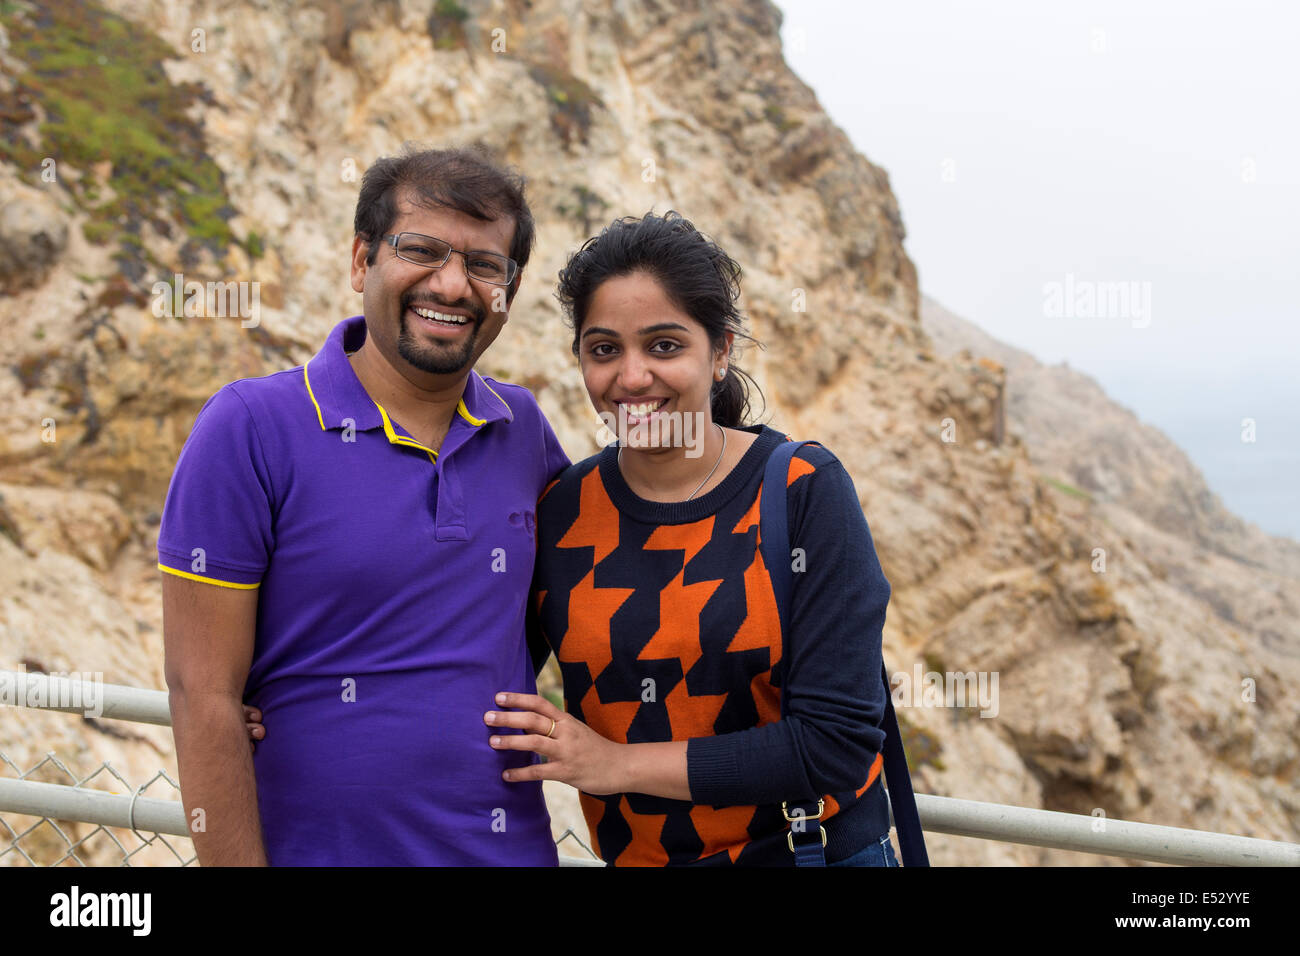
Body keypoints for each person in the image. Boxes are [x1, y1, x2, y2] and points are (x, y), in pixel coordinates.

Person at [160, 145, 569, 865]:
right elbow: (202, 695)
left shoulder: (524, 430)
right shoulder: (250, 427)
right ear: (362, 260)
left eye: (485, 265)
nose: (452, 284)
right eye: (421, 250)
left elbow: (566, 605)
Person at [483, 211, 900, 866]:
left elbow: (834, 745)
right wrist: (285, 703)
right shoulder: (562, 512)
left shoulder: (800, 489)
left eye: (665, 345)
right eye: (603, 349)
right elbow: (478, 674)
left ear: (721, 350)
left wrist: (618, 765)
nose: (631, 377)